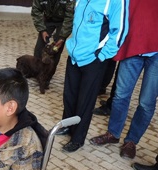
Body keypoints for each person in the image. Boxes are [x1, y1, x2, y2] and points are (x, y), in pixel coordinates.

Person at [56, 0, 128, 153]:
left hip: (94, 59)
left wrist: (102, 55)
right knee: (69, 96)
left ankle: (77, 139)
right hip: (74, 56)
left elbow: (120, 31)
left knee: (85, 101)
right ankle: (68, 126)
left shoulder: (114, 1)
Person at [89, 0, 158, 159]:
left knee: (146, 102)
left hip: (156, 53)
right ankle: (113, 133)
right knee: (120, 95)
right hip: (132, 45)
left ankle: (131, 141)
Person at [30, 0, 74, 80]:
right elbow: (36, 11)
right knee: (39, 47)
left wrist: (62, 37)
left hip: (63, 21)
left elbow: (70, 17)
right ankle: (37, 72)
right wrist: (42, 30)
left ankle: (48, 75)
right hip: (48, 19)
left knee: (56, 48)